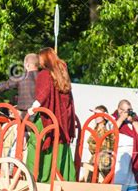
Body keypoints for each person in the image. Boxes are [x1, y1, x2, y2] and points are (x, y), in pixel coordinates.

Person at [26, 47, 76, 182]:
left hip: (46, 118)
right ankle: (62, 178)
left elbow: (44, 93)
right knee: (60, 145)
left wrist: (33, 108)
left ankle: (35, 177)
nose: (39, 61)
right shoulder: (62, 73)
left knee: (35, 142)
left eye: (40, 58)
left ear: (45, 59)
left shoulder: (45, 74)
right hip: (62, 121)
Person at [87, 105, 114, 181]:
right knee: (90, 180)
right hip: (95, 159)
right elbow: (91, 146)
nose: (95, 116)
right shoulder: (95, 129)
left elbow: (106, 147)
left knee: (105, 181)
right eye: (94, 114)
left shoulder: (108, 129)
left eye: (97, 114)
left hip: (104, 161)